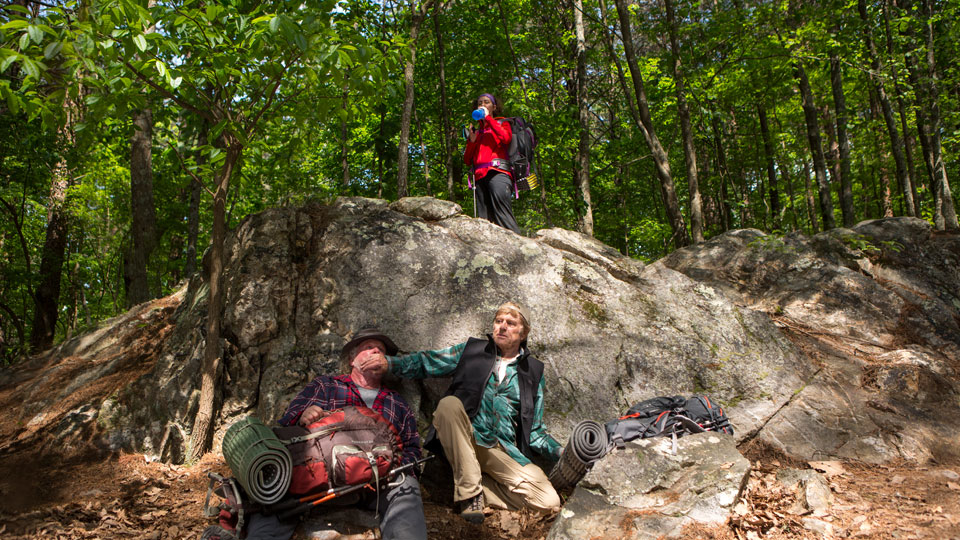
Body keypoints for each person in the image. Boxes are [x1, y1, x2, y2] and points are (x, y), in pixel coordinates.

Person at [213, 328, 427, 540]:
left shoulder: (396, 403)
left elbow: (412, 450)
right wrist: (303, 417)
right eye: (368, 348)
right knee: (273, 497)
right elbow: (284, 430)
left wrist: (393, 469)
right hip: (317, 476)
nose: (376, 352)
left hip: (375, 483)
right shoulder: (325, 386)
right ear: (352, 359)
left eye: (380, 350)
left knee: (406, 487)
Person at [385, 302, 563, 523]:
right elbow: (427, 362)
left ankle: (474, 486)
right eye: (499, 321)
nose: (502, 327)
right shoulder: (472, 351)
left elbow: (535, 431)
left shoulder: (533, 372)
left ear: (524, 332)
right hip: (466, 436)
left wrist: (561, 452)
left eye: (511, 323)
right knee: (449, 405)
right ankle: (470, 495)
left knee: (549, 503)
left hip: (502, 449)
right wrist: (389, 364)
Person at [464, 93, 521, 234]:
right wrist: (471, 141)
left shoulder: (503, 123)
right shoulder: (476, 132)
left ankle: (519, 248)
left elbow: (506, 138)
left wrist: (488, 118)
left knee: (502, 215)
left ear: (494, 107)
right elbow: (467, 160)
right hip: (479, 177)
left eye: (486, 102)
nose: (482, 105)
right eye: (480, 103)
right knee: (484, 221)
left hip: (498, 173)